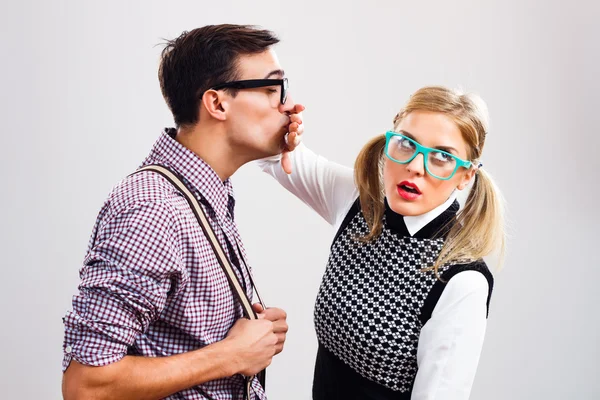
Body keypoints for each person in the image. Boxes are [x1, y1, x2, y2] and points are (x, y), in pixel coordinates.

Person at [62, 24, 305, 400]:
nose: (289, 106)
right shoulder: (154, 210)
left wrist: (251, 340)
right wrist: (230, 355)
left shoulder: (203, 190)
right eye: (274, 90)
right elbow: (86, 385)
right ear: (218, 103)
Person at [258, 86, 506, 399]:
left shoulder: (462, 280)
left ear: (466, 176)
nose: (416, 166)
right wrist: (280, 112)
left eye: (443, 157)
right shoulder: (358, 200)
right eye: (406, 144)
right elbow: (273, 156)